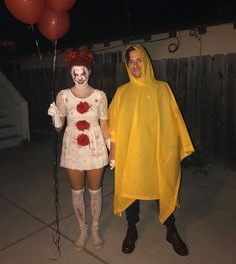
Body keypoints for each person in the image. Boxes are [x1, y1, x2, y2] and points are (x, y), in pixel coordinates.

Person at [108, 45, 195, 256]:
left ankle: (170, 228)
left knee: (162, 186)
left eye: (139, 60)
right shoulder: (122, 93)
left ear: (146, 61)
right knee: (130, 189)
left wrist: (176, 148)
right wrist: (113, 153)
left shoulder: (161, 89)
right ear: (126, 65)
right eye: (131, 61)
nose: (135, 65)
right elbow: (113, 127)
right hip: (132, 155)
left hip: (157, 153)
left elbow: (174, 121)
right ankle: (132, 228)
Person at [48, 49, 110, 251]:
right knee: (77, 192)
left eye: (83, 72)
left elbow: (105, 126)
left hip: (95, 147)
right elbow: (59, 127)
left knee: (95, 191)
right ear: (70, 73)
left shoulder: (100, 96)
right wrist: (56, 118)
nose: (80, 76)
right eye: (75, 73)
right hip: (73, 147)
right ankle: (82, 230)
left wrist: (112, 151)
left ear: (89, 72)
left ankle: (95, 228)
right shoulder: (63, 96)